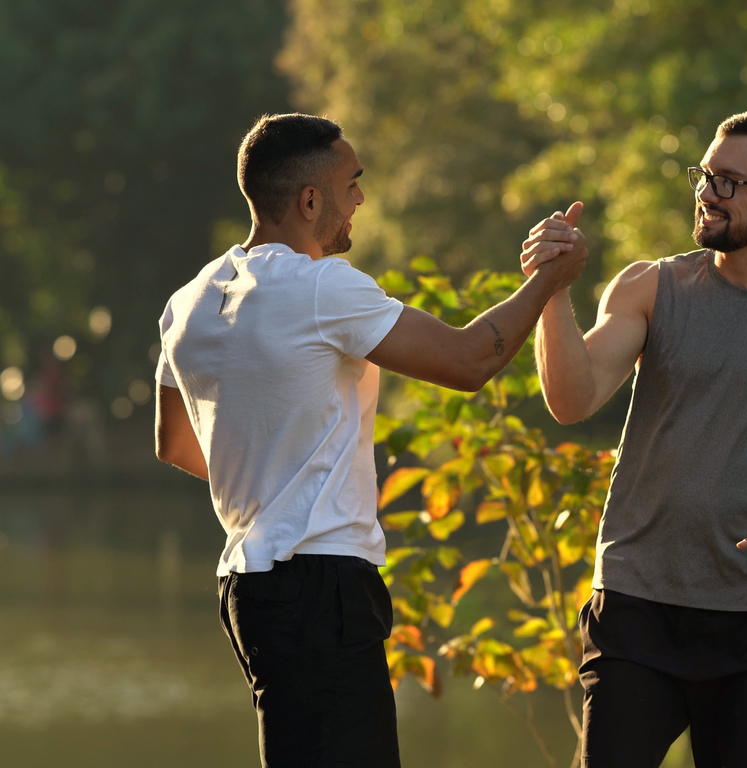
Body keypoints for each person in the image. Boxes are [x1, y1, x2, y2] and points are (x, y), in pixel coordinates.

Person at [153, 113, 587, 768]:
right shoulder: (322, 287)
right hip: (322, 583)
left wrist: (268, 474)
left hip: (248, 588)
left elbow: (175, 445)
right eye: (352, 185)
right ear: (309, 200)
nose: (359, 200)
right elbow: (469, 362)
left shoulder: (187, 300)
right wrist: (547, 283)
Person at [523, 108, 747, 768]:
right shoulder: (648, 286)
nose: (707, 192)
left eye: (729, 181)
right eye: (703, 175)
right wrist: (552, 293)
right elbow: (572, 400)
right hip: (638, 606)